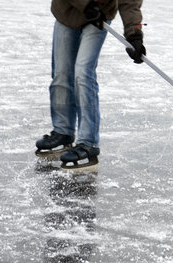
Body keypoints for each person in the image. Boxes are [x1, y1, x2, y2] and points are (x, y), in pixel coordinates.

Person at [36, 0, 146, 171]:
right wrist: (86, 5)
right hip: (67, 11)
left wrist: (134, 34)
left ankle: (88, 142)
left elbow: (130, 1)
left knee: (83, 72)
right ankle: (63, 132)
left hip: (99, 16)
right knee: (62, 74)